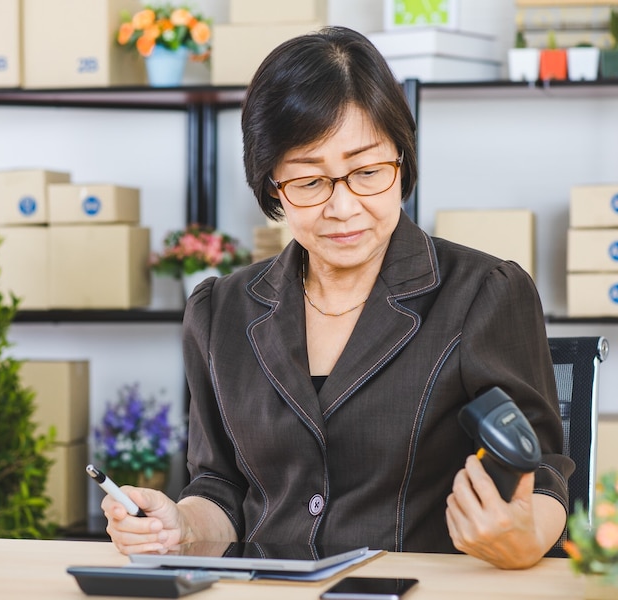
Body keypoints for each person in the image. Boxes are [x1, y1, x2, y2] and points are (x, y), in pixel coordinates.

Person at [101, 26, 574, 570]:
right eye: (309, 181)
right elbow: (221, 486)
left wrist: (523, 534)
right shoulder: (219, 312)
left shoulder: (483, 293)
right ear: (272, 185)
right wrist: (180, 527)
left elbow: (543, 473)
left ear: (402, 160)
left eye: (368, 172)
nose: (343, 207)